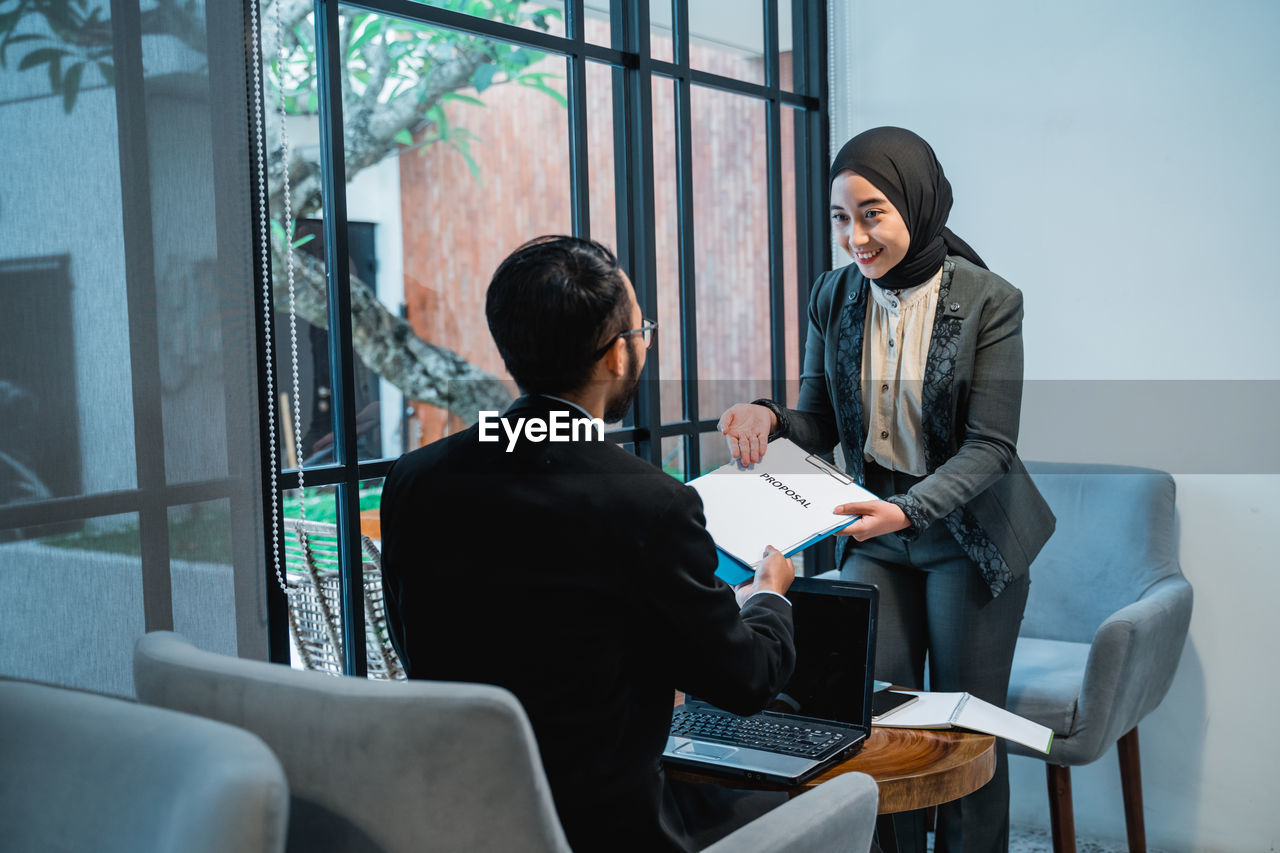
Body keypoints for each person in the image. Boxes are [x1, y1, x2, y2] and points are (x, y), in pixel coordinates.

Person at [379, 235, 797, 853]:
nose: (647, 342)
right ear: (615, 358)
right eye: (641, 329)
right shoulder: (650, 503)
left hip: (465, 819)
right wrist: (769, 597)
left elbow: (421, 640)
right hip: (612, 830)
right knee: (832, 794)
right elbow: (747, 681)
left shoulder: (414, 479)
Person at [719, 127, 1056, 853]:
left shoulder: (991, 301)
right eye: (841, 218)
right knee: (872, 728)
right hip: (872, 533)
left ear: (916, 203)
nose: (855, 237)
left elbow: (992, 446)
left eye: (872, 213)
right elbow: (816, 418)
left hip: (971, 537)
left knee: (965, 737)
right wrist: (769, 415)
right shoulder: (834, 294)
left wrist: (905, 508)